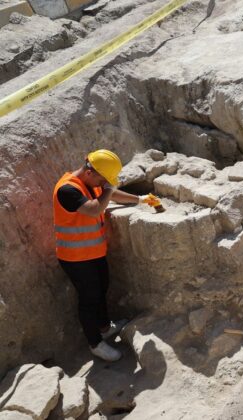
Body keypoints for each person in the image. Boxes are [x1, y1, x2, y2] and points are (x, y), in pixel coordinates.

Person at [53, 149, 158, 361]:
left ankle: (104, 328)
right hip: (75, 258)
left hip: (92, 252)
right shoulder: (67, 190)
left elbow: (108, 193)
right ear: (90, 172)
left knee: (101, 289)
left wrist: (140, 199)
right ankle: (95, 343)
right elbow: (94, 209)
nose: (104, 183)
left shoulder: (90, 182)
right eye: (102, 179)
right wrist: (109, 189)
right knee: (89, 299)